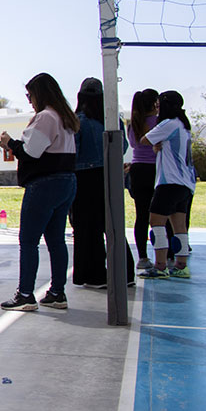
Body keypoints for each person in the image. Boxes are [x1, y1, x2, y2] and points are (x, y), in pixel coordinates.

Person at [0, 73, 79, 311]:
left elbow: (30, 152)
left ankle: (25, 294)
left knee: (29, 240)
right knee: (56, 239)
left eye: (30, 95)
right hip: (66, 182)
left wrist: (9, 143)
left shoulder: (45, 117)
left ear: (40, 94)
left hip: (44, 184)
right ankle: (57, 292)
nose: (29, 100)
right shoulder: (65, 118)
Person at [71, 78, 135, 288]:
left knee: (87, 228)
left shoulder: (77, 121)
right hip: (110, 175)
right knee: (113, 225)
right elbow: (122, 147)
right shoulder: (113, 120)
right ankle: (125, 272)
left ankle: (94, 275)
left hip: (84, 178)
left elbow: (74, 152)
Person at [139, 90, 196, 279]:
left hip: (169, 182)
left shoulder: (168, 124)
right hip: (185, 183)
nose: (157, 109)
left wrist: (155, 144)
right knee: (179, 226)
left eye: (158, 105)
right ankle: (181, 265)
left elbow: (144, 140)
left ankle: (160, 265)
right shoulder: (183, 125)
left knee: (156, 223)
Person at [127, 88, 162, 270]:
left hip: (138, 170)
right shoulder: (159, 122)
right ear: (155, 104)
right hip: (157, 169)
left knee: (141, 215)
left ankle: (142, 257)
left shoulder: (134, 123)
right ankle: (165, 255)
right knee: (162, 214)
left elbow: (134, 144)